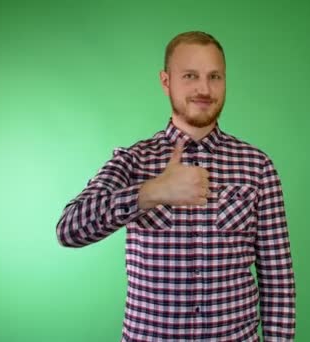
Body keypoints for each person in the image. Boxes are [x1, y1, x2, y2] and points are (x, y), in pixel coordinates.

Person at [56, 31, 295, 341]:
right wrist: (151, 192)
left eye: (215, 76)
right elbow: (69, 230)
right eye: (190, 75)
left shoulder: (258, 167)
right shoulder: (134, 161)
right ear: (166, 81)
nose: (204, 88)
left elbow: (277, 280)